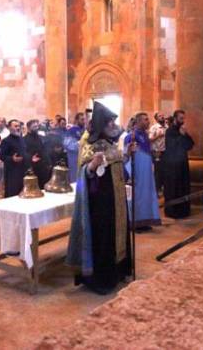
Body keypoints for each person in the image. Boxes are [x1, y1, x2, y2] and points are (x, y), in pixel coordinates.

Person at [66, 101, 132, 295]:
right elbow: (84, 173)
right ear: (101, 123)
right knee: (103, 238)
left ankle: (119, 272)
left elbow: (116, 165)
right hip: (100, 203)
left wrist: (127, 155)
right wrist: (92, 166)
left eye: (113, 120)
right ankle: (102, 279)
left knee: (117, 234)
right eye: (109, 121)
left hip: (116, 200)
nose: (113, 124)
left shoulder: (111, 144)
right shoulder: (89, 144)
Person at [123, 112, 162, 230]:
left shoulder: (144, 135)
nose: (148, 122)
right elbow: (127, 156)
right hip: (138, 173)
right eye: (145, 119)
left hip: (147, 173)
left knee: (146, 195)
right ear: (138, 121)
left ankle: (145, 221)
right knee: (138, 196)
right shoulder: (131, 136)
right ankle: (136, 222)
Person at [162, 110, 194, 219]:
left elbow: (190, 145)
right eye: (181, 118)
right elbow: (172, 146)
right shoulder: (170, 131)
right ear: (175, 118)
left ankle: (183, 211)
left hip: (182, 163)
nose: (183, 120)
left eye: (183, 118)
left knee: (183, 187)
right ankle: (172, 211)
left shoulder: (182, 130)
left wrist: (184, 135)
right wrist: (181, 136)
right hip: (172, 165)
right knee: (173, 188)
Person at [0, 119, 27, 197]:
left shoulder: (22, 139)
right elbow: (2, 156)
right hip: (12, 171)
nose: (18, 128)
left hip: (23, 170)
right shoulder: (6, 141)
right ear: (9, 128)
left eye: (19, 126)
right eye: (15, 126)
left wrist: (30, 158)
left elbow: (25, 152)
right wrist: (12, 159)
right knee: (13, 193)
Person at [24, 119, 51, 188]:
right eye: (34, 127)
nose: (36, 128)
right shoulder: (24, 139)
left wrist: (48, 162)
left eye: (37, 126)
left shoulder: (40, 137)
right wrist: (30, 158)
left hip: (43, 166)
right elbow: (24, 153)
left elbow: (44, 150)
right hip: (32, 166)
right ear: (28, 127)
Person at [149, 112, 167, 193]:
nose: (162, 117)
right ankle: (157, 189)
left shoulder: (167, 127)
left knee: (165, 171)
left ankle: (163, 188)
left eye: (163, 115)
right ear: (156, 119)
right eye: (160, 116)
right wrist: (158, 136)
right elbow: (149, 139)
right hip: (157, 152)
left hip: (166, 152)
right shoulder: (154, 128)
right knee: (158, 171)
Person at [65, 113, 86, 182]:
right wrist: (80, 143)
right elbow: (68, 145)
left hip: (84, 158)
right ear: (77, 120)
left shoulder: (86, 130)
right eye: (82, 119)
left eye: (84, 119)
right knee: (75, 179)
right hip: (74, 159)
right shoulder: (71, 131)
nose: (84, 121)